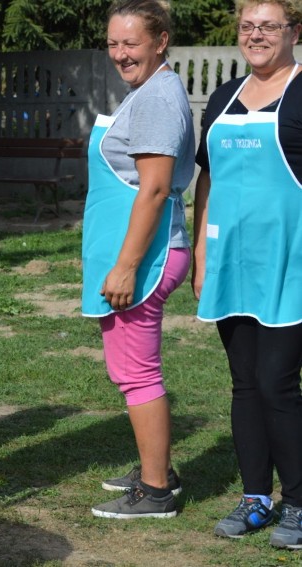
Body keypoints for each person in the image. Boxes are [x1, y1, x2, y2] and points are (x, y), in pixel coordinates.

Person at [192, 0, 302, 548]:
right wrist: (201, 255)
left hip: (291, 264)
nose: (257, 35)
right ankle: (256, 498)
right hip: (232, 265)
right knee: (243, 384)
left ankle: (299, 505)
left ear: (294, 33)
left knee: (278, 383)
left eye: (269, 26)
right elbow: (206, 183)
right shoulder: (221, 97)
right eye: (248, 26)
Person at [81, 0, 194, 519]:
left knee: (137, 373)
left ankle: (155, 492)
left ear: (161, 41)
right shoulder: (148, 91)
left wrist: (126, 266)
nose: (121, 53)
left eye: (132, 43)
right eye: (113, 43)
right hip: (132, 257)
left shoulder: (155, 99)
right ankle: (157, 467)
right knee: (130, 370)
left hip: (144, 262)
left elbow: (152, 191)